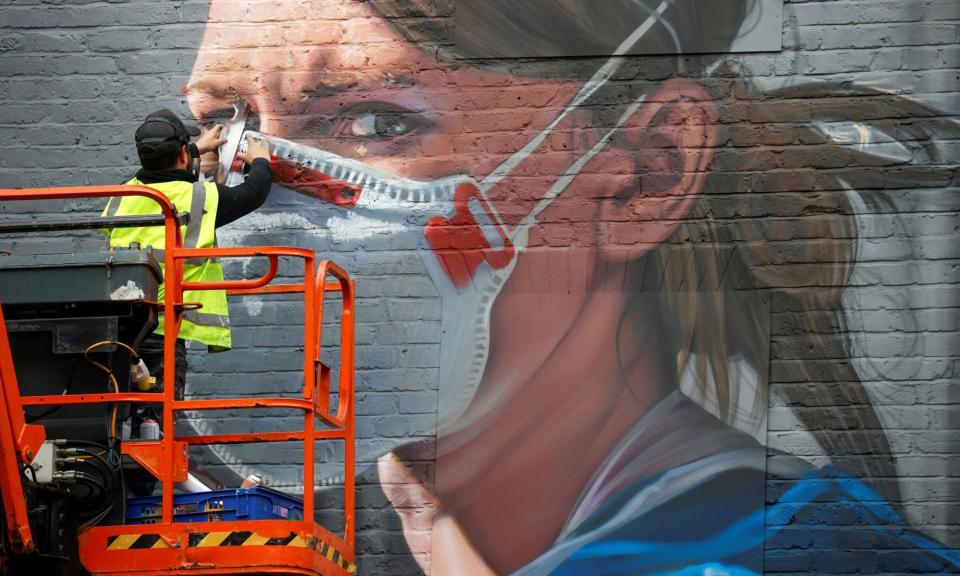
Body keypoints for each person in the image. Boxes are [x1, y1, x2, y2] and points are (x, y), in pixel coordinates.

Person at [185, 1, 960, 574]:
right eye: (223, 125)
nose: (252, 201)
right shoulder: (273, 544)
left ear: (648, 174)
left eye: (378, 122)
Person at [103, 109, 272, 430]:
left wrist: (195, 151)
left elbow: (150, 177)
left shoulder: (122, 194)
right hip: (164, 331)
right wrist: (261, 160)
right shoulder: (200, 197)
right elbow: (253, 193)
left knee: (116, 424)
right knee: (155, 428)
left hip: (120, 329)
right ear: (182, 152)